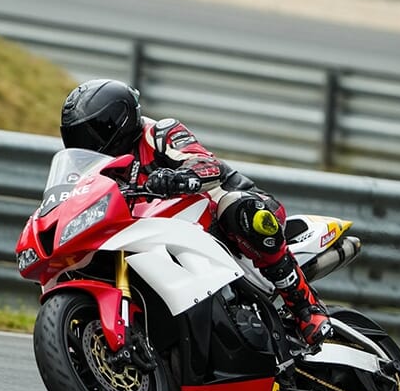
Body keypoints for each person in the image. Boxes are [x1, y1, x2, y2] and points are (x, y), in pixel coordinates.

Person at [59, 78, 332, 349]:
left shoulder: (158, 133)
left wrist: (178, 177)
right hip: (157, 235)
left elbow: (205, 162)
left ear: (115, 122)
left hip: (216, 214)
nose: (84, 145)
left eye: (89, 135)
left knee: (243, 212)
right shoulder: (97, 172)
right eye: (76, 138)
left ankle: (306, 308)